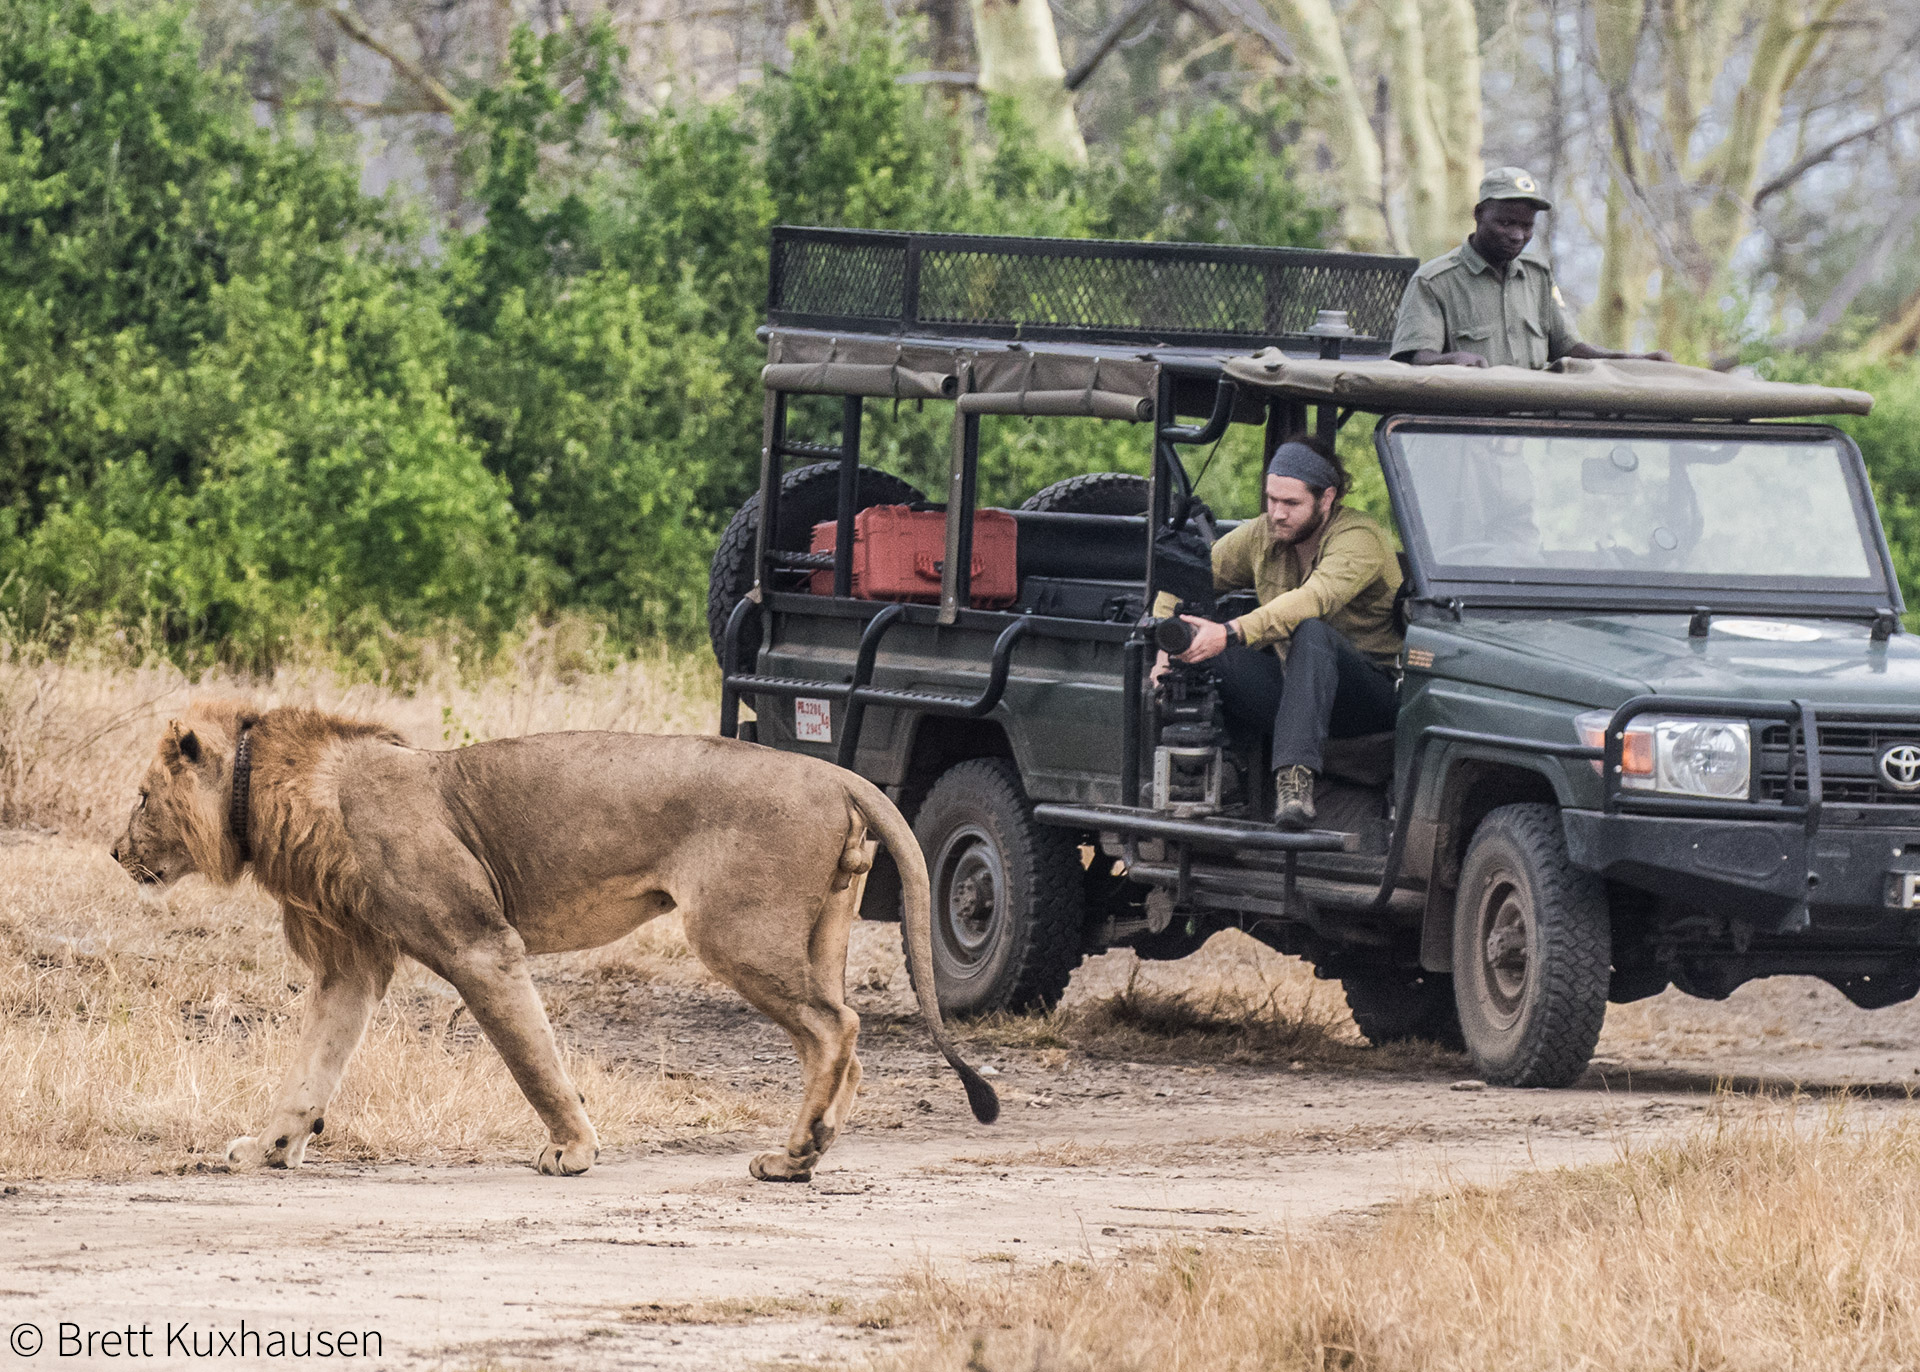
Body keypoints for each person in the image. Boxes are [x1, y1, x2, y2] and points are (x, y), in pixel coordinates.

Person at [1154, 435, 1402, 830]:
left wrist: (1232, 631)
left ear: (1326, 499)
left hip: (1365, 697)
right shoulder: (1263, 533)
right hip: (1294, 690)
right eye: (1271, 500)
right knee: (1201, 648)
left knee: (1311, 630)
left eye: (1291, 504)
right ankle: (1219, 771)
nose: (1278, 514)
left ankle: (1294, 781)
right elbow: (1186, 576)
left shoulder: (1361, 538)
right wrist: (1165, 648)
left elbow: (1311, 600)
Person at [1390, 167, 1671, 369]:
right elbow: (1415, 360)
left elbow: (1570, 349)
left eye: (1526, 226)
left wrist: (1635, 361)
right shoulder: (1434, 281)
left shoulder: (1537, 275)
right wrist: (1450, 360)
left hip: (1528, 430)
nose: (1517, 236)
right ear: (1479, 214)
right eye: (1506, 222)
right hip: (1463, 428)